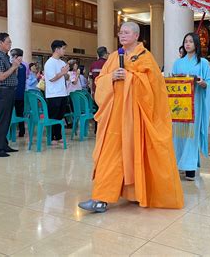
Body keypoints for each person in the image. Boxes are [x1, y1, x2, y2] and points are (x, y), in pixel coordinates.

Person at [78, 21, 183, 213]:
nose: (122, 35)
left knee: (137, 154)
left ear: (136, 36)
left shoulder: (146, 58)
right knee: (109, 155)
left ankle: (136, 193)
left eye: (126, 32)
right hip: (115, 117)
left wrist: (130, 78)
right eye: (120, 32)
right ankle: (101, 197)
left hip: (136, 119)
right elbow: (100, 81)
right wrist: (112, 77)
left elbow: (154, 90)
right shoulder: (113, 57)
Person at [172, 32, 210, 181]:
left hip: (195, 103)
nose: (187, 44)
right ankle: (178, 163)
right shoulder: (177, 63)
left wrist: (204, 83)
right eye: (186, 41)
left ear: (196, 44)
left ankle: (189, 166)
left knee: (191, 134)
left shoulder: (203, 63)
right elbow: (172, 80)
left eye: (190, 41)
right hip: (179, 105)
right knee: (178, 135)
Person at [0, 33, 22, 157]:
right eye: (8, 42)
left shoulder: (5, 56)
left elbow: (11, 75)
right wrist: (13, 67)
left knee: (7, 120)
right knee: (1, 120)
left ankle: (3, 144)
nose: (10, 44)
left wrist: (15, 67)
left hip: (9, 91)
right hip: (2, 91)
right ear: (0, 43)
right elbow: (1, 76)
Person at [44, 40, 69, 142]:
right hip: (53, 94)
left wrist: (66, 73)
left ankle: (58, 136)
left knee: (60, 117)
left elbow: (66, 77)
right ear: (57, 49)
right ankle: (52, 137)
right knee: (53, 117)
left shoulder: (62, 62)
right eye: (63, 48)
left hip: (63, 92)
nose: (64, 51)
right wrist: (62, 73)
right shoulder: (49, 63)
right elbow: (52, 78)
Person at [10, 48, 27, 137]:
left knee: (15, 112)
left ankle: (19, 131)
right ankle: (21, 131)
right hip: (20, 93)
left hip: (15, 93)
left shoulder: (19, 67)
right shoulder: (23, 66)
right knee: (19, 112)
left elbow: (14, 78)